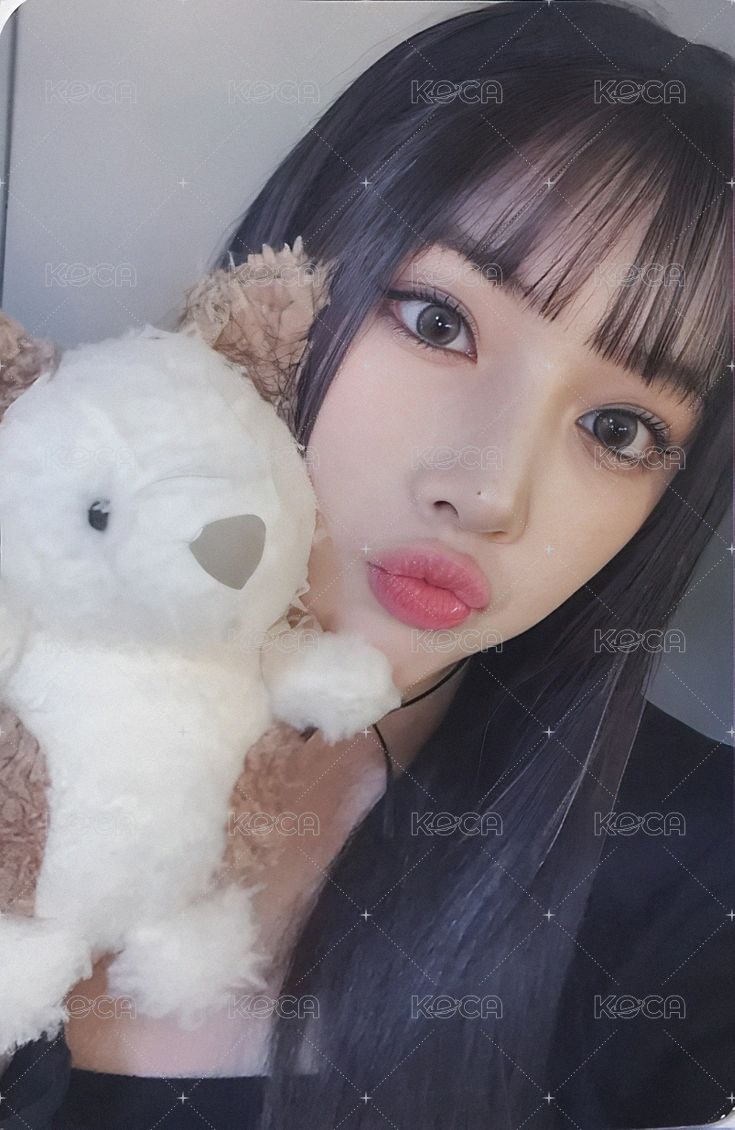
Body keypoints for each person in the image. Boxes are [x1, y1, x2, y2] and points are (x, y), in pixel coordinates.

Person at [1, 0, 732, 1127]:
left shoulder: (691, 891)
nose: (487, 493)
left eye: (619, 429)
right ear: (285, 286)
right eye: (439, 322)